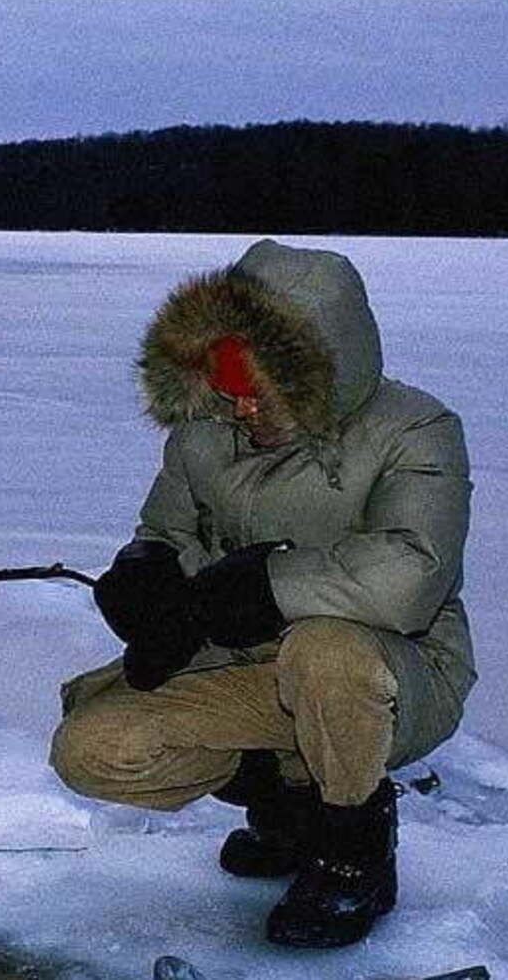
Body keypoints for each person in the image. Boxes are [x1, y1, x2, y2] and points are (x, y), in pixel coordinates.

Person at [49, 238, 476, 948]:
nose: (239, 407)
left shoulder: (417, 431)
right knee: (91, 747)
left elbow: (410, 575)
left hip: (396, 673)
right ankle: (287, 799)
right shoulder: (205, 430)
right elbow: (167, 527)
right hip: (251, 666)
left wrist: (263, 583)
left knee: (326, 652)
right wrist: (146, 573)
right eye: (227, 387)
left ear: (315, 371)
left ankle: (353, 851)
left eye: (256, 390)